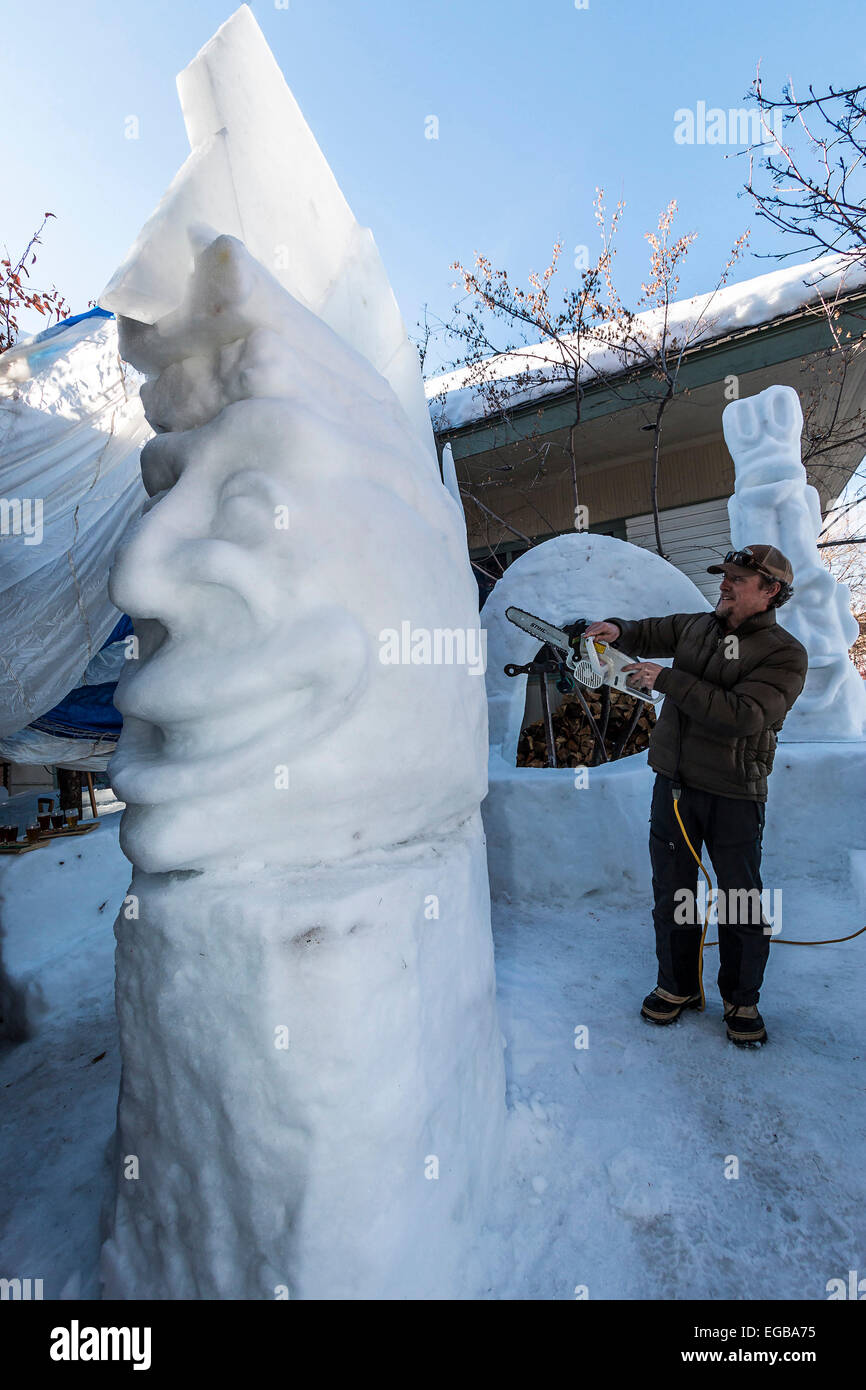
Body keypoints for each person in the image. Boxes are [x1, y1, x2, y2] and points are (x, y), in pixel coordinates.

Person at [585, 544, 808, 1046]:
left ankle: (741, 999)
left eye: (737, 580)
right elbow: (652, 630)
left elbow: (744, 714)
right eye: (724, 576)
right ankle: (678, 986)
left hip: (733, 793)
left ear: (770, 591)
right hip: (675, 787)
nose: (725, 585)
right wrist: (617, 628)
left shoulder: (784, 653)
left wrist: (668, 679)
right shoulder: (698, 626)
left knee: (739, 902)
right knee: (674, 894)